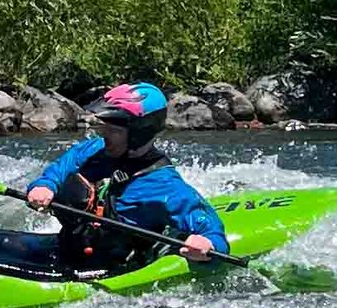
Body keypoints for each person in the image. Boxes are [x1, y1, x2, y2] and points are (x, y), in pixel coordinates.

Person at [24, 82, 229, 274]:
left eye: (112, 130)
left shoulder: (165, 187)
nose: (104, 135)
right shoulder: (96, 150)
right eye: (103, 127)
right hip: (69, 248)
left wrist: (207, 246)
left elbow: (213, 233)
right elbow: (60, 170)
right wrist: (44, 186)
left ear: (139, 133)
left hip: (110, 268)